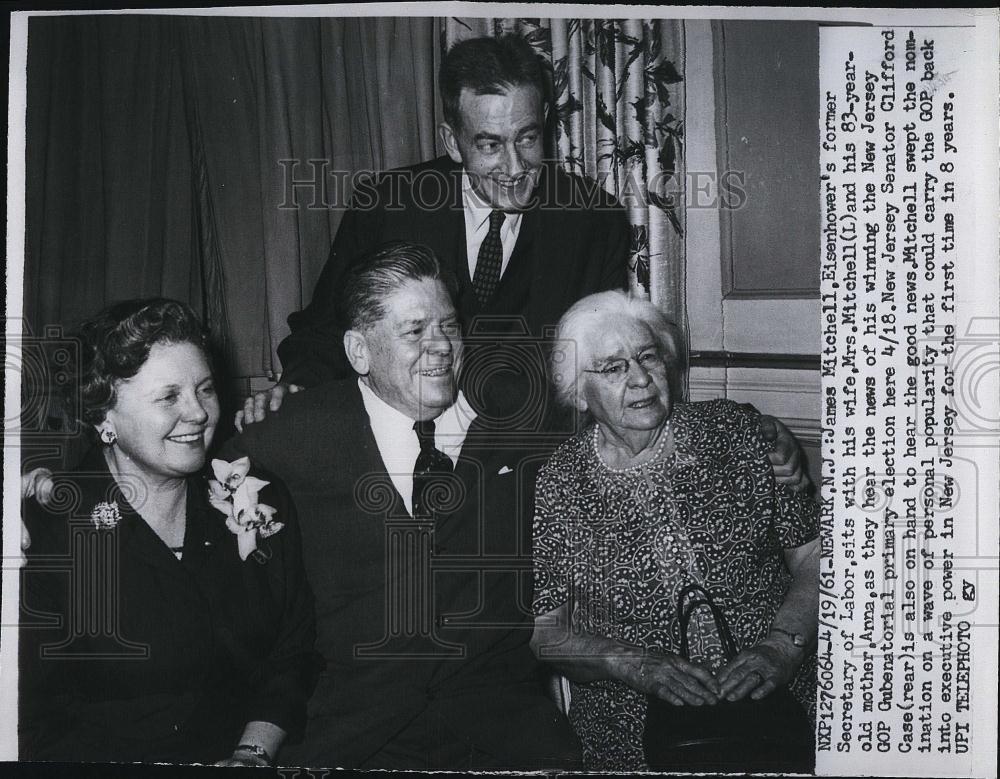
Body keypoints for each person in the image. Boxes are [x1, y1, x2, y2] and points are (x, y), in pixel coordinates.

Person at [218, 243, 581, 770]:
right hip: (351, 739)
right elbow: (192, 497)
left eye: (449, 327)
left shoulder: (515, 425)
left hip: (500, 736)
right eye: (415, 331)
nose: (440, 348)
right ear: (359, 351)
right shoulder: (290, 433)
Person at [19, 299, 318, 766]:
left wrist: (251, 755)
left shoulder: (259, 497)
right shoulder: (45, 534)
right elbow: (34, 724)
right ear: (104, 418)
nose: (198, 413)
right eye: (169, 397)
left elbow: (291, 654)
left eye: (205, 389)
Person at [529, 290, 819, 771]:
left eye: (648, 357)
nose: (641, 379)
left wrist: (782, 647)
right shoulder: (561, 481)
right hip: (631, 719)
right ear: (579, 392)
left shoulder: (737, 434)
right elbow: (547, 633)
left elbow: (814, 557)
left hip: (779, 695)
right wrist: (633, 664)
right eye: (614, 368)